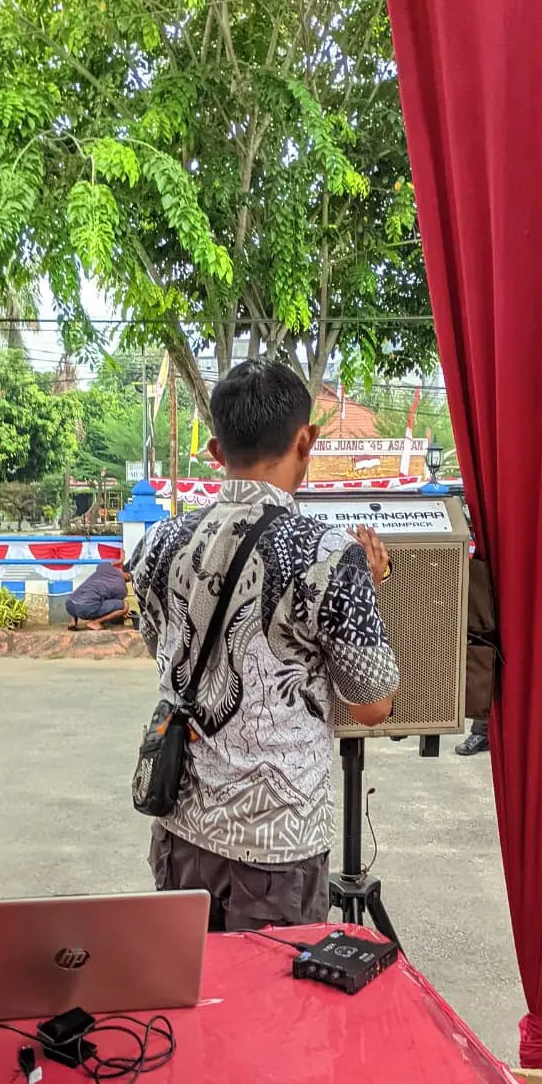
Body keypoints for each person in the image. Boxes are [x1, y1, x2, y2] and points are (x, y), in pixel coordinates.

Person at [131, 360, 399, 931]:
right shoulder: (331, 554)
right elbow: (371, 704)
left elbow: (164, 646)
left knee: (190, 1001)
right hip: (278, 847)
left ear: (214, 448)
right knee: (271, 1015)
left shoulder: (159, 542)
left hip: (181, 828)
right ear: (307, 441)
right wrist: (366, 595)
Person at [65, 557, 128, 631]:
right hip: (85, 609)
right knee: (125, 606)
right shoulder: (123, 589)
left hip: (69, 605)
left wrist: (120, 560)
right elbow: (114, 604)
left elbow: (108, 563)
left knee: (83, 592)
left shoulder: (105, 567)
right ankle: (95, 623)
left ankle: (73, 622)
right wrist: (123, 613)